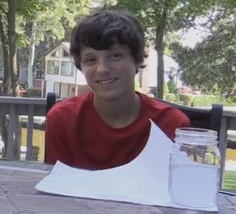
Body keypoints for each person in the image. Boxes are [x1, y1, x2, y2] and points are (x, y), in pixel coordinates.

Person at [44, 10, 190, 169]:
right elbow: (54, 187)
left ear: (138, 59)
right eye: (90, 60)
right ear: (81, 66)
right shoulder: (62, 119)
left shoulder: (172, 124)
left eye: (115, 56)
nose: (102, 69)